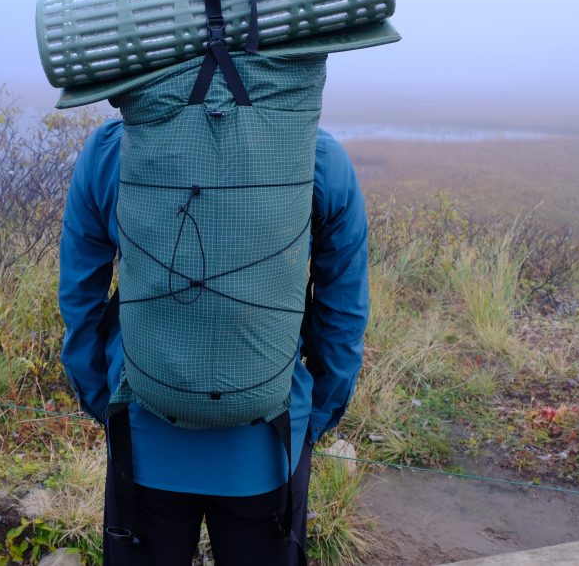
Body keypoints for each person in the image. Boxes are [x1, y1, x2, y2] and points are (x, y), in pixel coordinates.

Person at [58, 116, 369, 566]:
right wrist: (311, 421)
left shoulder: (113, 149)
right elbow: (343, 314)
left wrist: (105, 401)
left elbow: (80, 302)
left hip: (141, 437)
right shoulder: (316, 157)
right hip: (269, 444)